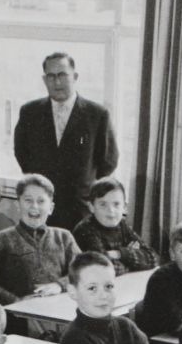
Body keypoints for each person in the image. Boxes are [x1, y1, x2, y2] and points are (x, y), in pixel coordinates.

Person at [12, 52, 120, 229]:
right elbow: (22, 153)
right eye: (51, 76)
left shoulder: (97, 115)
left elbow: (108, 161)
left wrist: (86, 191)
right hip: (41, 209)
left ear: (75, 76)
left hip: (80, 210)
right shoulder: (29, 112)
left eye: (62, 75)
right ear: (44, 79)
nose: (57, 82)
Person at [53, 252, 159, 344]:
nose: (103, 296)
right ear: (72, 292)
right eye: (92, 288)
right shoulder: (74, 339)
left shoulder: (127, 326)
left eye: (109, 286)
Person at [0, 174, 78, 306]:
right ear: (17, 205)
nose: (34, 206)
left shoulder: (64, 237)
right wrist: (15, 302)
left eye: (41, 201)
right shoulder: (0, 240)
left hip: (57, 309)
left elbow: (82, 271)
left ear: (51, 208)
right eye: (28, 200)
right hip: (17, 315)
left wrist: (59, 285)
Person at [72, 177, 157, 274]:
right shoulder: (85, 229)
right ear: (91, 207)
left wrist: (119, 253)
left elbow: (152, 258)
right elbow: (104, 268)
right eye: (103, 204)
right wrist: (132, 256)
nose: (111, 210)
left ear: (124, 207)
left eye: (116, 204)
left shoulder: (122, 225)